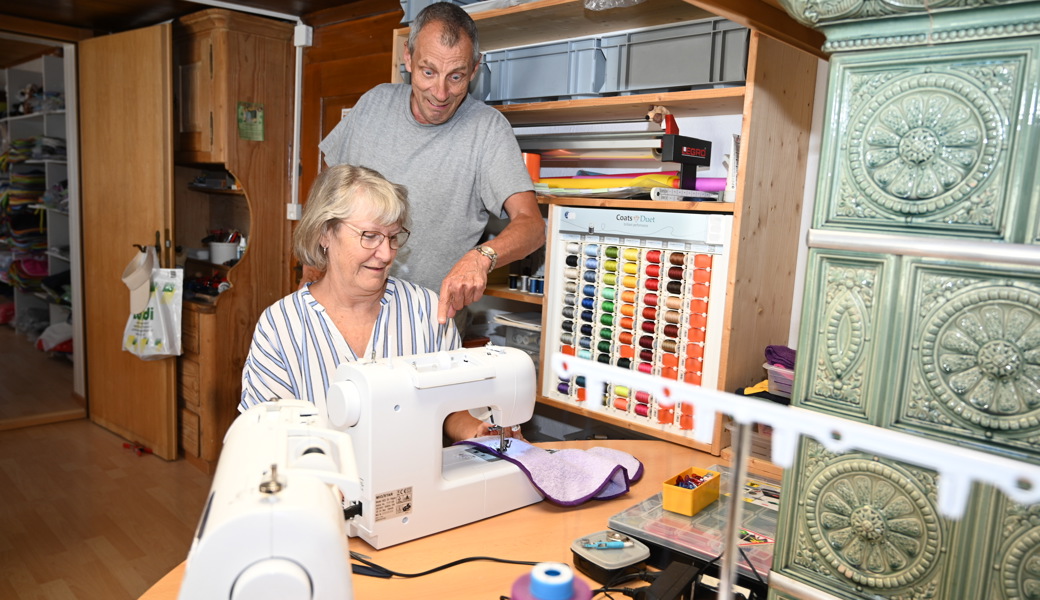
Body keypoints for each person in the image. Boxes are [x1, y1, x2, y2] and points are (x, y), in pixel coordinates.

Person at [240, 164, 509, 442]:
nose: (385, 254)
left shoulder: (427, 311)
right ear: (325, 233)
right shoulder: (280, 326)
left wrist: (481, 431)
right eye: (370, 236)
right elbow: (265, 436)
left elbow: (452, 409)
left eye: (392, 237)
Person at [318, 1, 546, 326]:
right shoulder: (374, 103)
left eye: (456, 76)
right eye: (428, 72)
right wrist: (312, 270)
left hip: (427, 325)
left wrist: (482, 257)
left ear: (475, 69)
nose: (440, 93)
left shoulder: (487, 129)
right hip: (341, 313)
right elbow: (325, 198)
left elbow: (532, 226)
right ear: (408, 58)